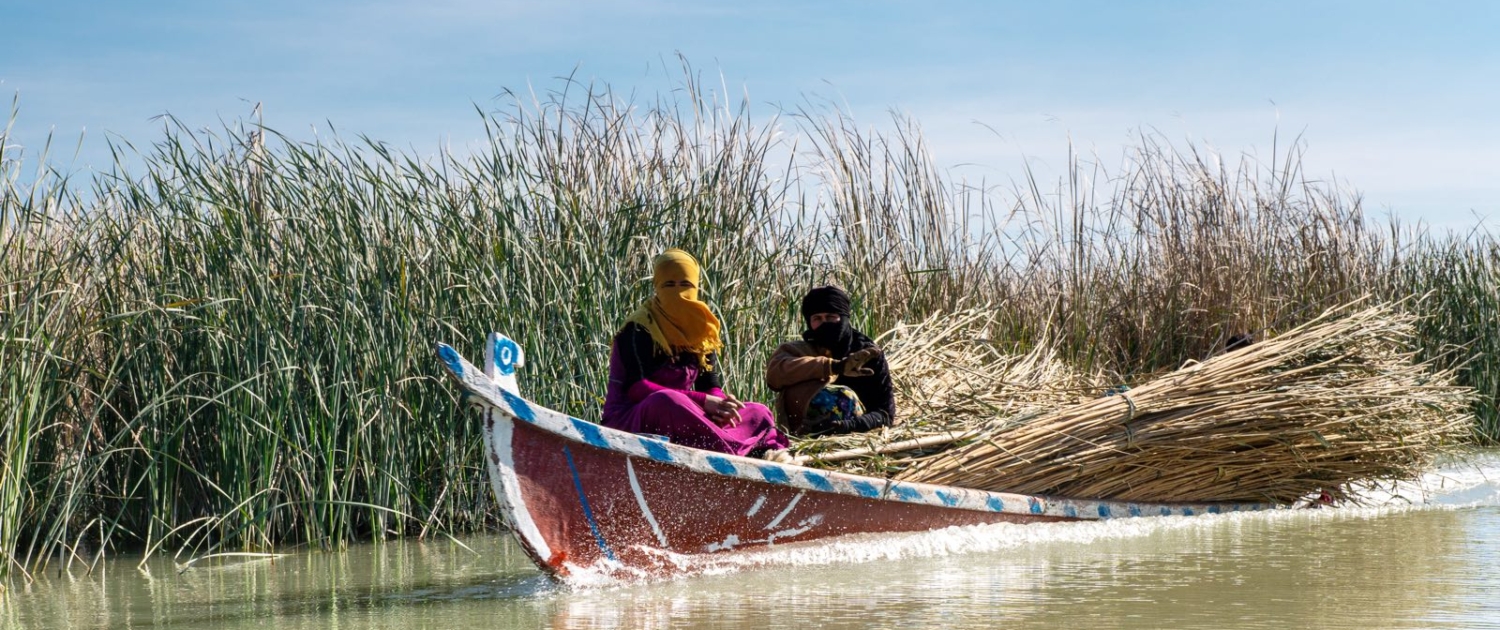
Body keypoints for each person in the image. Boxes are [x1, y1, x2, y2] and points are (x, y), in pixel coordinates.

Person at [601, 248, 790, 459]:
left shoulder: (701, 329)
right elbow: (638, 389)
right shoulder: (639, 328)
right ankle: (735, 451)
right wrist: (704, 401)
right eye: (669, 285)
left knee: (758, 413)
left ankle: (726, 446)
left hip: (685, 414)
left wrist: (721, 406)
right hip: (635, 416)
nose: (679, 292)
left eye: (685, 285)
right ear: (657, 287)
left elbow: (710, 384)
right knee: (667, 400)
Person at [766, 285, 896, 436]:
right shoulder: (797, 350)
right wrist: (834, 367)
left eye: (830, 317)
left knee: (843, 396)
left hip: (853, 435)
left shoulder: (868, 353)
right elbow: (774, 375)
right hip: (802, 433)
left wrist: (845, 426)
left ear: (844, 318)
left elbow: (885, 414)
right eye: (817, 318)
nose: (824, 323)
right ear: (809, 322)